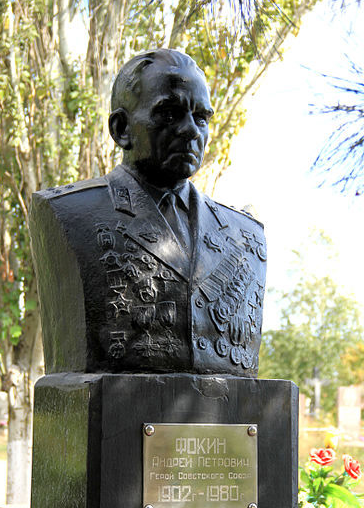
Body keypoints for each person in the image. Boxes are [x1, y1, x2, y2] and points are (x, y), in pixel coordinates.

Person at [30, 49, 266, 377]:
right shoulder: (69, 211)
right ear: (121, 129)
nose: (191, 131)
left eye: (201, 117)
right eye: (169, 113)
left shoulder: (245, 235)